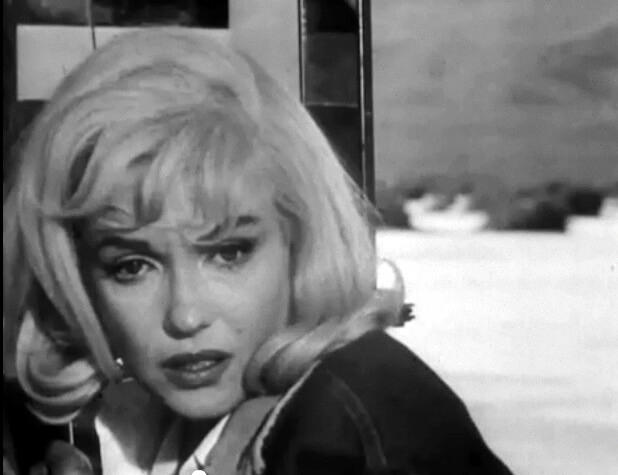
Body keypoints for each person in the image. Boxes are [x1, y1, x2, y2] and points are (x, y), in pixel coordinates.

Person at [3, 30, 512, 474]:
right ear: (76, 280)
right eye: (132, 266)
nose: (186, 315)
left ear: (300, 241)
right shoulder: (149, 427)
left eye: (228, 253)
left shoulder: (347, 427)